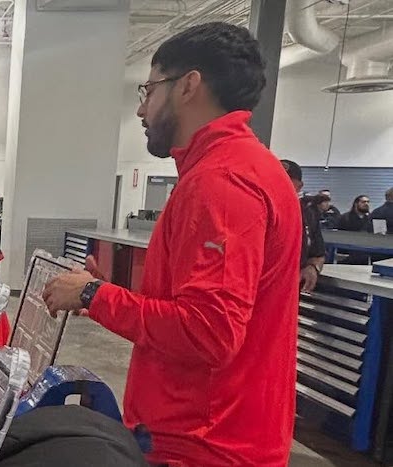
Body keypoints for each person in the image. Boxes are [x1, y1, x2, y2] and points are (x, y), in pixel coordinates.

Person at [42, 23, 300, 466]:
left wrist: (93, 294)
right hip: (209, 432)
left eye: (149, 90)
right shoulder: (238, 167)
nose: (141, 110)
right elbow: (204, 308)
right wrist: (109, 293)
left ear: (189, 86)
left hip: (205, 443)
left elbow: (210, 333)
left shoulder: (222, 182)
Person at [281, 160, 326, 293]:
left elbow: (318, 254)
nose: (280, 184)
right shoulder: (255, 212)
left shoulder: (308, 216)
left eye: (287, 181)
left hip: (289, 290)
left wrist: (312, 267)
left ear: (300, 186)